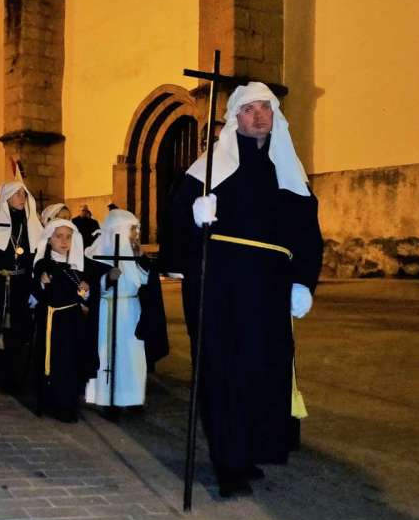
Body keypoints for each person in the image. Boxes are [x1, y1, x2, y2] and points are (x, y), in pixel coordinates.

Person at [159, 82, 323, 498]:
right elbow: (175, 218)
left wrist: (304, 279)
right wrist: (196, 218)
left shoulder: (288, 169)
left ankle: (249, 451)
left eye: (265, 108)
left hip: (269, 289)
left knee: (263, 369)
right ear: (235, 118)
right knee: (224, 370)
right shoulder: (208, 169)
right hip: (221, 286)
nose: (259, 115)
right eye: (249, 109)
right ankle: (228, 463)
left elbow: (307, 230)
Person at [84, 209, 169, 410]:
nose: (136, 234)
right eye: (132, 229)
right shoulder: (96, 255)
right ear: (119, 230)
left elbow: (146, 283)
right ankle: (108, 398)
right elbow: (92, 289)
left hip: (131, 311)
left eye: (136, 229)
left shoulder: (135, 255)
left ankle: (131, 398)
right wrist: (108, 279)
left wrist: (142, 261)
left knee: (132, 355)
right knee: (108, 354)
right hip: (108, 311)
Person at [0, 181, 43, 390]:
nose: (22, 198)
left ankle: (13, 379)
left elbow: (34, 257)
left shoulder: (29, 223)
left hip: (20, 284)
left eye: (24, 194)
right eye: (17, 194)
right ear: (6, 198)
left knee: (17, 332)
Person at [31, 219, 95, 422]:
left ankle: (70, 403)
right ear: (49, 239)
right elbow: (42, 291)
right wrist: (43, 283)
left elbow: (83, 294)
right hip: (54, 322)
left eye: (68, 237)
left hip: (74, 321)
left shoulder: (78, 265)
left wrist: (85, 291)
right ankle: (58, 405)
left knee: (73, 363)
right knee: (57, 363)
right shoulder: (43, 264)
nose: (64, 241)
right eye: (59, 236)